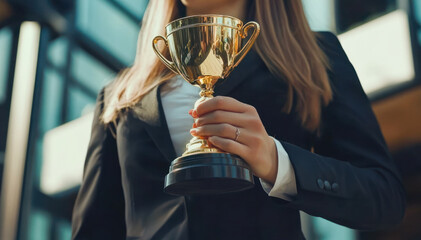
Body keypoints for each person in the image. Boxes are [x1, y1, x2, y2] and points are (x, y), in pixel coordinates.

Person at [71, 0, 406, 239]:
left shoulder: (315, 56)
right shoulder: (119, 94)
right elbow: (94, 228)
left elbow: (384, 198)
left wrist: (278, 162)